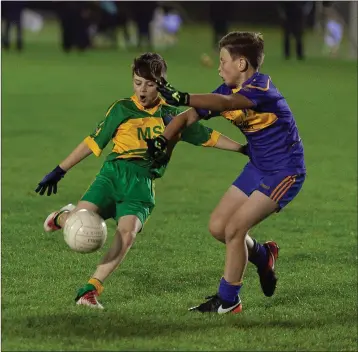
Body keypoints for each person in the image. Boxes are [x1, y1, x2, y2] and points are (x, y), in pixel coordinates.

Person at [35, 52, 247, 309]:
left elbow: (208, 137)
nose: (142, 90)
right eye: (137, 83)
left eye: (149, 84)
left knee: (127, 234)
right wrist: (60, 170)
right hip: (112, 175)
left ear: (161, 84)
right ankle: (61, 217)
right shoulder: (121, 109)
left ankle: (90, 290)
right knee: (81, 222)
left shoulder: (172, 116)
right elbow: (92, 143)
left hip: (142, 184)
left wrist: (243, 149)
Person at [146, 31, 306, 314]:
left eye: (223, 61)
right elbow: (187, 117)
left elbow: (228, 105)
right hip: (257, 166)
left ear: (242, 64)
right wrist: (163, 140)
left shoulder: (262, 88)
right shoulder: (225, 91)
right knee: (219, 227)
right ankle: (263, 254)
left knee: (235, 229)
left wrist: (184, 95)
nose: (218, 68)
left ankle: (229, 300)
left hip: (285, 171)